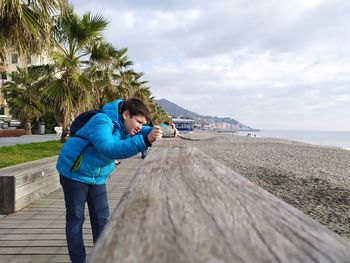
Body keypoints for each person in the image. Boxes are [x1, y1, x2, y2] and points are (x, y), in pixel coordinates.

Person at [56, 98, 163, 263]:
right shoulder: (103, 121)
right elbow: (110, 148)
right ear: (126, 114)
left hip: (97, 176)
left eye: (142, 123)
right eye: (138, 122)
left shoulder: (126, 126)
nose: (140, 126)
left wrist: (165, 130)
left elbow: (147, 130)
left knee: (101, 219)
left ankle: (102, 257)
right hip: (74, 172)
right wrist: (146, 140)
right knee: (76, 219)